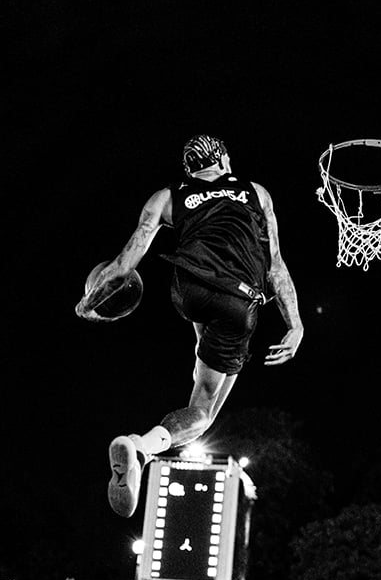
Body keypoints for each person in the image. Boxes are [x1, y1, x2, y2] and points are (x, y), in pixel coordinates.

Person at [76, 134, 304, 519]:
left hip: (187, 289)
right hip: (237, 298)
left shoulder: (166, 196)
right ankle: (143, 447)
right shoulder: (256, 193)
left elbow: (122, 266)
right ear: (226, 161)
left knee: (204, 354)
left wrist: (87, 305)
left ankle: (195, 371)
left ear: (189, 170)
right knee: (203, 412)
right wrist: (295, 325)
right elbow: (275, 266)